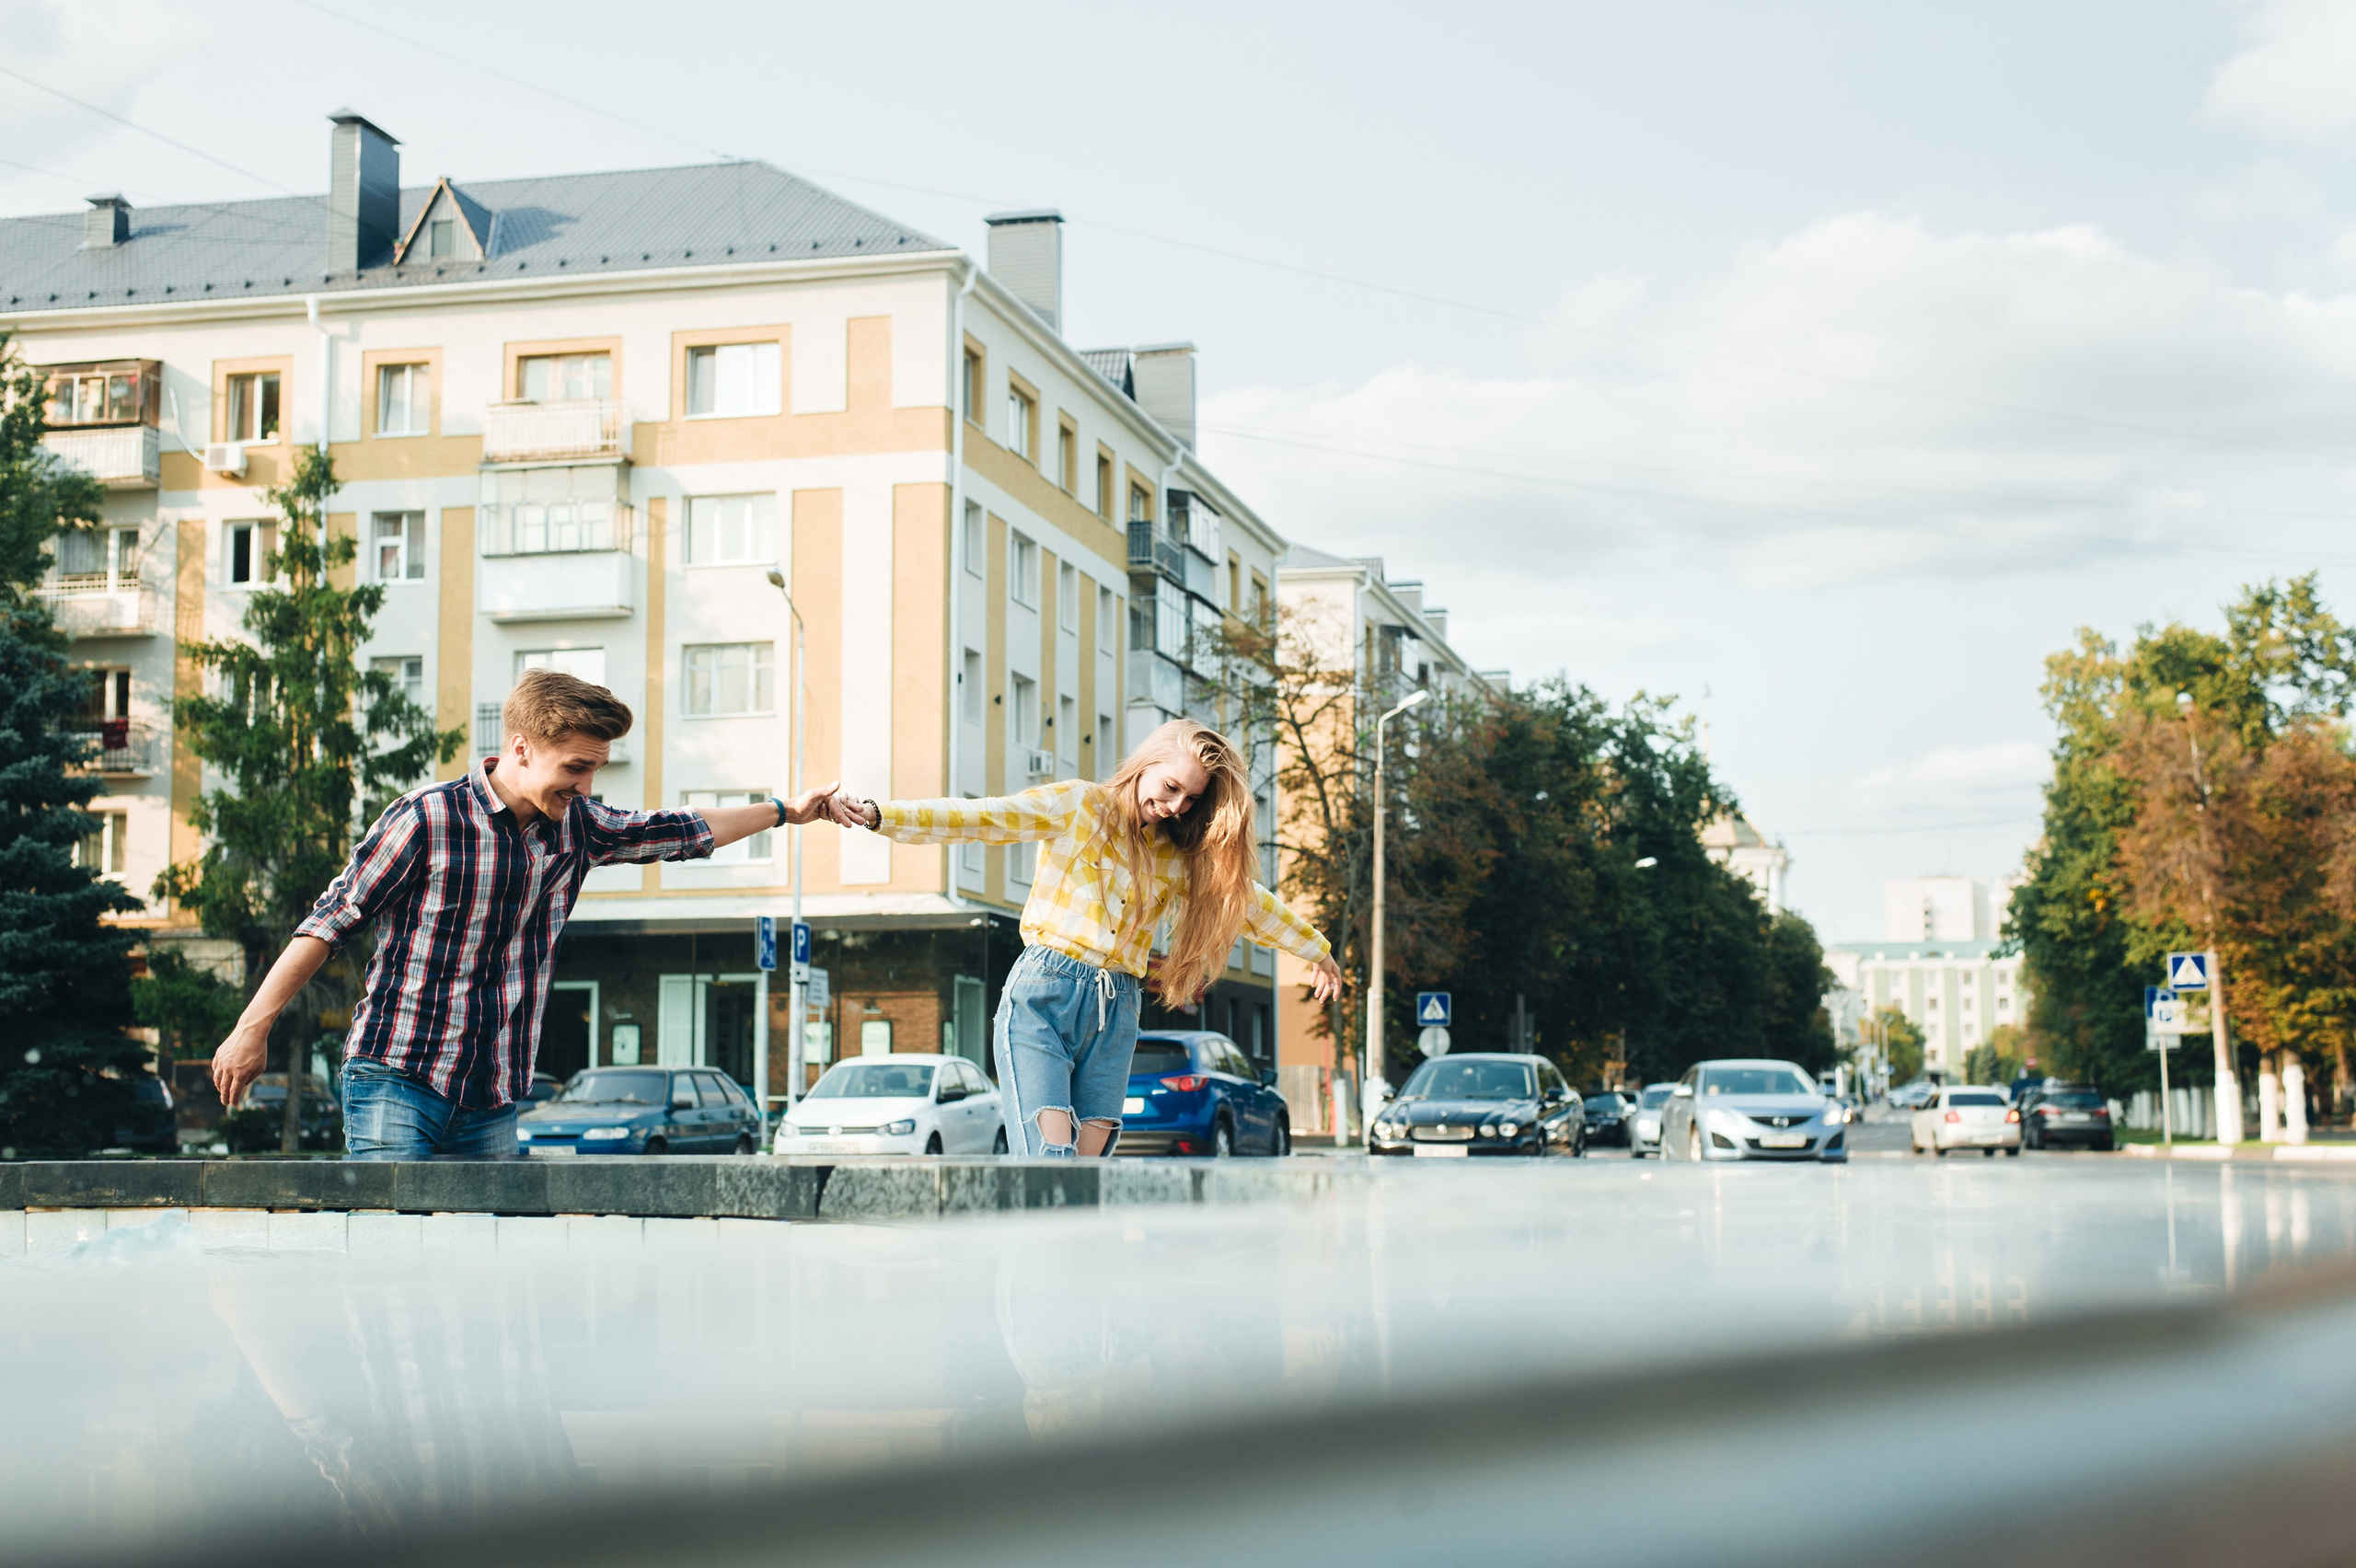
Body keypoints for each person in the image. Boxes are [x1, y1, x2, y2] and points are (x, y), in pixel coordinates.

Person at [209, 669, 836, 1160]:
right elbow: (330, 923)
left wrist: (786, 811)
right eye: (575, 768)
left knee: (485, 1277)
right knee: (390, 1260)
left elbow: (682, 830)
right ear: (521, 749)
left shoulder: (581, 828)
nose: (587, 787)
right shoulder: (428, 819)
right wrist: (251, 1027)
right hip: (397, 1080)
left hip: (494, 1096)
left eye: (595, 769)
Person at [825, 717, 1344, 1157]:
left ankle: (1061, 1277)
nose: (1176, 806)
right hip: (1045, 996)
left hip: (1117, 1010)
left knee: (1087, 1175)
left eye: (1190, 799)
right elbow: (981, 817)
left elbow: (1246, 902)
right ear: (1146, 766)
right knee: (1051, 1160)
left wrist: (1316, 951)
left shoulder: (1177, 857)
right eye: (1170, 788)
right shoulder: (1077, 807)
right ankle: (1028, 1273)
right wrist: (878, 815)